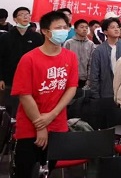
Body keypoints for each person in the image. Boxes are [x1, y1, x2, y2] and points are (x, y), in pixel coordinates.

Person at [11, 11, 78, 177]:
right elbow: (24, 94)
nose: (63, 31)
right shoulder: (29, 59)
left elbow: (71, 88)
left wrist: (52, 115)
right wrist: (40, 125)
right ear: (45, 32)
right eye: (58, 28)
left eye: (65, 27)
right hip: (30, 126)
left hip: (57, 125)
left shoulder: (70, 57)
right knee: (25, 171)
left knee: (48, 171)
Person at [0, 7, 44, 113]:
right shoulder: (5, 37)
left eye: (27, 14)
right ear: (15, 19)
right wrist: (1, 78)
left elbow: (41, 59)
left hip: (30, 78)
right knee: (9, 108)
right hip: (9, 78)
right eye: (21, 14)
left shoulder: (37, 37)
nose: (25, 17)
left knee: (27, 108)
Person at [89, 18, 121, 99]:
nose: (116, 29)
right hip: (106, 92)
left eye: (117, 27)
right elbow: (94, 75)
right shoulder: (99, 50)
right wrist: (95, 95)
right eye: (112, 27)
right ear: (105, 32)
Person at [63, 19, 95, 88]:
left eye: (86, 27)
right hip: (70, 78)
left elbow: (91, 63)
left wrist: (89, 79)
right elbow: (64, 61)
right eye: (82, 27)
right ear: (75, 29)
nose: (84, 29)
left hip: (84, 79)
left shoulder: (91, 44)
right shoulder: (69, 43)